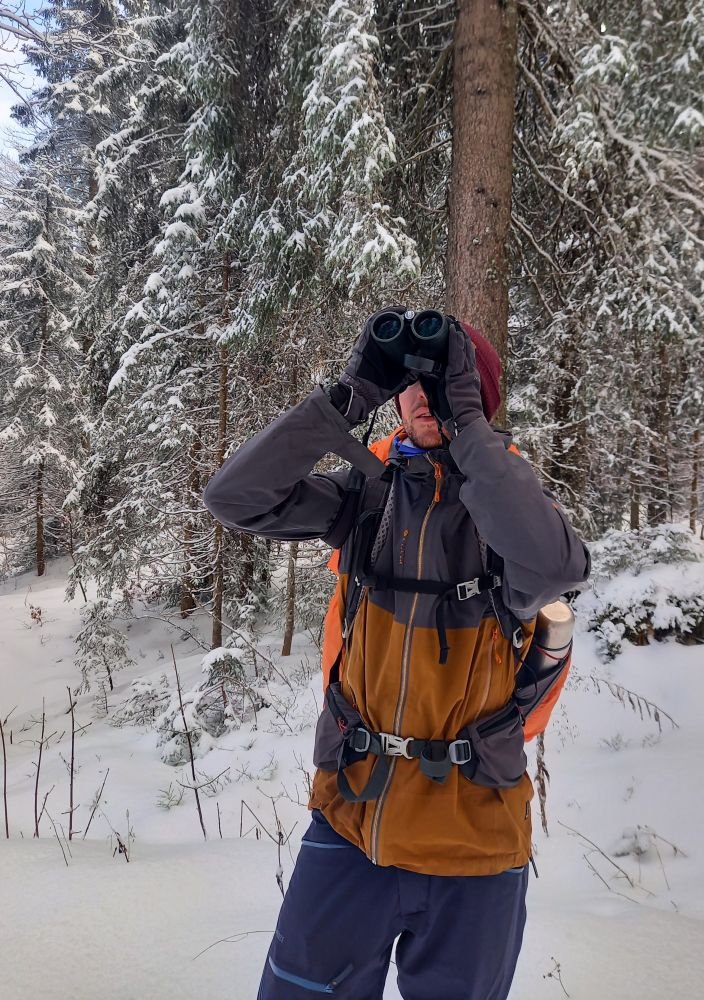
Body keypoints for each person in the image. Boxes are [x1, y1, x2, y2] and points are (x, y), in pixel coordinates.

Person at [202, 307, 590, 1000]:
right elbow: (235, 497)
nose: (424, 397)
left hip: (475, 844)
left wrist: (468, 428)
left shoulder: (512, 511)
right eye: (412, 384)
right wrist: (345, 400)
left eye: (445, 384)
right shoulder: (368, 497)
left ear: (475, 396)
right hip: (353, 822)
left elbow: (556, 567)